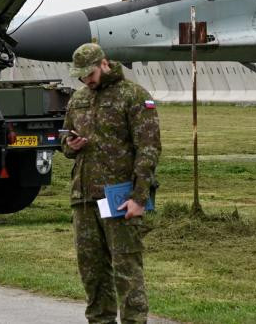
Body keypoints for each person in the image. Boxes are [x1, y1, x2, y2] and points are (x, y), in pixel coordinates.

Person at [62, 43, 161, 324]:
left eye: (90, 74)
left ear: (104, 64)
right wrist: (70, 144)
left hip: (118, 197)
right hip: (84, 198)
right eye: (81, 76)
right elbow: (65, 144)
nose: (86, 80)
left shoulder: (133, 96)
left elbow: (149, 149)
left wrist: (139, 197)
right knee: (92, 272)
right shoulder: (79, 98)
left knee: (126, 270)